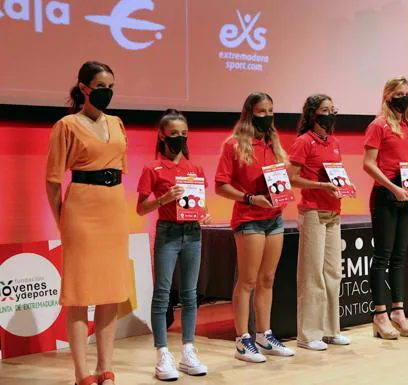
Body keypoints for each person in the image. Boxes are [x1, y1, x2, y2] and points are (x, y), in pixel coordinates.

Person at [45, 61, 132, 385]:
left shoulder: (117, 122)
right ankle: (83, 373)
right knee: (80, 294)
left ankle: (105, 367)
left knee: (110, 293)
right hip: (82, 207)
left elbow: (119, 166)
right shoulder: (67, 125)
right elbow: (53, 180)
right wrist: (61, 220)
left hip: (113, 207)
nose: (106, 92)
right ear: (83, 88)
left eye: (111, 86)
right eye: (100, 86)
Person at [215, 92, 295, 362]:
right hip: (249, 218)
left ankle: (264, 334)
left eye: (270, 110)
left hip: (275, 218)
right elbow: (221, 185)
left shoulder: (274, 143)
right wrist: (249, 198)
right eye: (261, 111)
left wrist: (283, 191)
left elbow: (281, 180)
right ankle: (242, 339)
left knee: (267, 279)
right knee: (247, 280)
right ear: (249, 113)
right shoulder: (233, 145)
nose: (267, 116)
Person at [136, 109, 212, 380]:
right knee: (163, 295)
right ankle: (162, 354)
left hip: (192, 233)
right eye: (173, 133)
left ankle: (188, 351)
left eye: (183, 134)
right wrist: (163, 199)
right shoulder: (152, 168)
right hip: (168, 233)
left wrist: (203, 213)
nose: (179, 138)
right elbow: (140, 209)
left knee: (191, 295)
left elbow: (198, 204)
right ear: (162, 135)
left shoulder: (196, 169)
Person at [288, 94, 351, 350]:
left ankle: (330, 330)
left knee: (333, 272)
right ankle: (307, 334)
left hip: (334, 212)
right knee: (312, 274)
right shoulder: (303, 142)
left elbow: (337, 175)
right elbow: (292, 178)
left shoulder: (334, 142)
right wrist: (320, 186)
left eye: (333, 109)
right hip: (313, 212)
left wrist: (344, 186)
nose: (330, 114)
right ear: (313, 113)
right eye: (325, 109)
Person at [363, 77, 408, 339]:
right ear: (387, 95)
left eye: (406, 94)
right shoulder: (378, 125)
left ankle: (398, 311)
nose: (403, 98)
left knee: (399, 256)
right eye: (398, 93)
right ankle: (379, 314)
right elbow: (369, 164)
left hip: (406, 195)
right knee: (382, 257)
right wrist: (392, 187)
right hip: (385, 195)